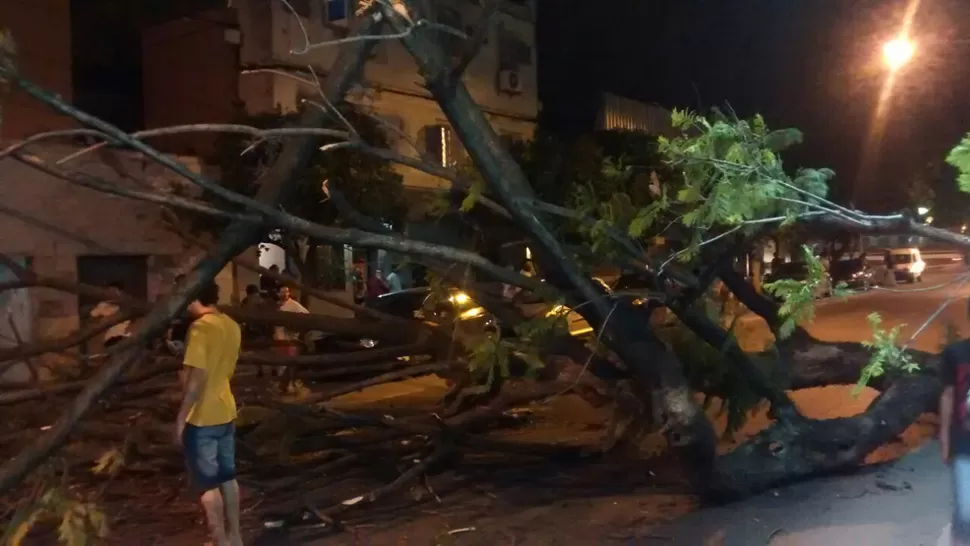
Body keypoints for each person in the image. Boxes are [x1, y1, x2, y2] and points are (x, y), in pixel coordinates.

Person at [174, 282, 243, 546]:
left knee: (208, 484)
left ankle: (220, 541)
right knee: (228, 476)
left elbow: (196, 379)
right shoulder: (231, 324)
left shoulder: (201, 328)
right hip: (226, 407)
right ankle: (235, 536)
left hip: (202, 415)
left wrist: (181, 418)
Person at [942, 307, 970, 546]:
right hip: (963, 443)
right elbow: (949, 395)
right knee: (965, 511)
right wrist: (944, 438)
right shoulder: (956, 353)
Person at [273, 285, 314, 377]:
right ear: (278, 293)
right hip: (279, 338)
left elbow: (307, 314)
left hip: (291, 338)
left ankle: (290, 380)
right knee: (281, 361)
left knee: (291, 360)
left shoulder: (294, 305)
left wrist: (295, 325)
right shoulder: (276, 305)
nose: (285, 294)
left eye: (286, 291)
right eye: (282, 292)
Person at [90, 281, 131, 349]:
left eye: (114, 291)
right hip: (111, 339)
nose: (111, 294)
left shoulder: (127, 304)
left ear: (121, 292)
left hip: (126, 336)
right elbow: (91, 319)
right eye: (109, 291)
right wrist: (101, 321)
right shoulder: (103, 305)